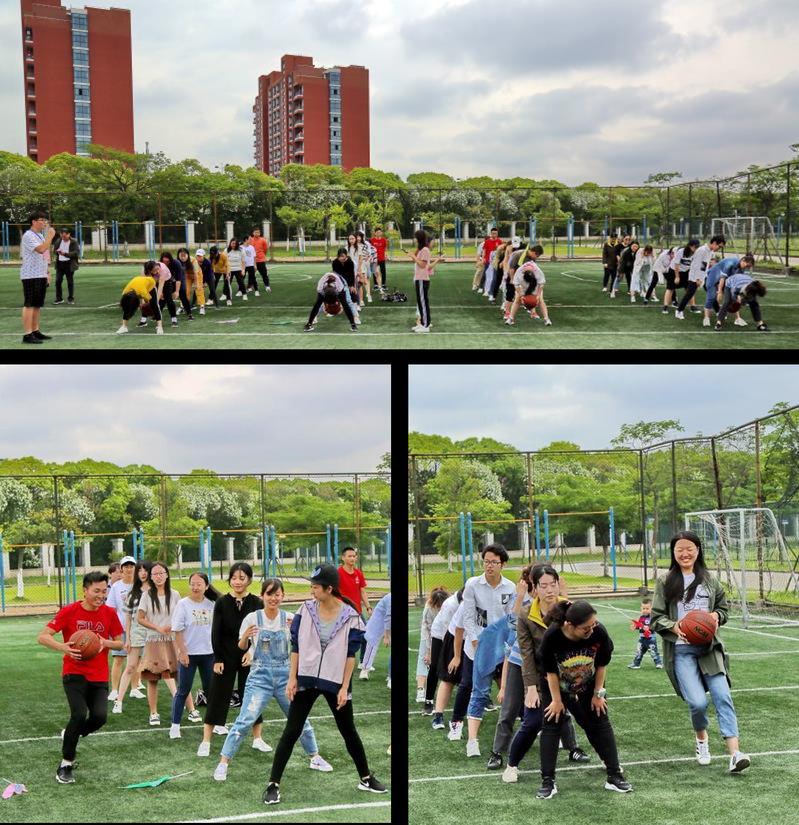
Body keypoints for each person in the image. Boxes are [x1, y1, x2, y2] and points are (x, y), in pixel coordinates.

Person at [261, 564, 387, 805]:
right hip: (306, 680)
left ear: (329, 589)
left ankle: (366, 778)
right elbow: (296, 646)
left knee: (348, 731)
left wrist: (344, 687)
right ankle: (273, 784)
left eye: (315, 587)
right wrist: (292, 678)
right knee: (291, 731)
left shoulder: (351, 616)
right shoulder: (305, 609)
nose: (311, 591)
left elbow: (351, 655)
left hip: (335, 682)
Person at [650, 531, 750, 772]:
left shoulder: (710, 580)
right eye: (679, 550)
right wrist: (673, 626)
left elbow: (723, 611)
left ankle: (735, 754)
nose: (685, 553)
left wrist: (715, 616)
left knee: (723, 697)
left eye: (690, 549)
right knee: (697, 703)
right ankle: (702, 740)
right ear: (673, 553)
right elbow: (656, 618)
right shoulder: (665, 581)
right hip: (681, 651)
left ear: (697, 550)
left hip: (709, 649)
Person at [214, 578, 333, 781]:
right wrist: (245, 636)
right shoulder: (253, 618)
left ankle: (314, 757)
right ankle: (223, 762)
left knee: (299, 718)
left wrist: (296, 631)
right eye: (269, 594)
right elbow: (241, 647)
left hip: (285, 676)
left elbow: (306, 644)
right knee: (245, 720)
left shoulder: (290, 618)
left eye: (277, 594)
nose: (273, 598)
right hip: (259, 676)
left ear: (283, 596)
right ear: (262, 595)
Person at [500, 565, 589, 781]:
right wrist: (531, 689)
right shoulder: (526, 614)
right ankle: (511, 765)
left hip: (568, 678)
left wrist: (577, 683)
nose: (549, 590)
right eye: (544, 585)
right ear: (535, 588)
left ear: (558, 585)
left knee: (590, 718)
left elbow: (582, 646)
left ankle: (609, 762)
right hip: (541, 679)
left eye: (553, 584)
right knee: (532, 722)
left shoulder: (570, 610)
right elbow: (527, 655)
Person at [536, 600, 632, 798]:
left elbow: (601, 665)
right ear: (570, 625)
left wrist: (598, 694)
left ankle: (614, 775)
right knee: (551, 724)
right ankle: (548, 781)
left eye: (593, 624)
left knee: (601, 720)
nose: (592, 630)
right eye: (586, 628)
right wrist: (556, 701)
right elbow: (550, 672)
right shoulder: (553, 636)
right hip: (556, 684)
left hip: (588, 683)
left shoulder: (599, 632)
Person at [37, 571, 124, 783]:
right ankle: (65, 764)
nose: (101, 595)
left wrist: (104, 642)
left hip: (99, 675)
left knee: (100, 717)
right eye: (96, 591)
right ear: (84, 590)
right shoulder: (70, 611)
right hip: (74, 672)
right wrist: (63, 647)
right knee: (78, 713)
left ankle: (71, 733)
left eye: (104, 591)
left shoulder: (109, 613)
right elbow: (43, 636)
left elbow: (120, 643)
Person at [197, 562, 269, 757]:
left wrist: (251, 652)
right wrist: (218, 658)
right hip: (226, 655)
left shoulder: (256, 603)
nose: (237, 582)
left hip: (249, 657)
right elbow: (216, 632)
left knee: (253, 695)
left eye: (242, 578)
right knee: (217, 695)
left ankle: (257, 739)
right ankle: (206, 741)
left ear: (249, 580)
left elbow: (262, 632)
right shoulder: (222, 602)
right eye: (234, 578)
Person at [458, 544, 516, 756]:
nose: (489, 566)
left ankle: (517, 732)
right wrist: (475, 641)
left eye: (494, 562)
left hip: (503, 647)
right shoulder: (473, 584)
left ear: (503, 564)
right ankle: (472, 741)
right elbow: (468, 616)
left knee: (510, 691)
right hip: (480, 645)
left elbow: (511, 618)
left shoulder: (510, 587)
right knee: (480, 692)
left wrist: (508, 646)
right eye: (486, 561)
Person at [169, 573, 220, 739]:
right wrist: (183, 653)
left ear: (206, 586)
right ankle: (175, 726)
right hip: (189, 656)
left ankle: (216, 724)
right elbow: (177, 631)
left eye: (199, 584)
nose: (195, 587)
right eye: (193, 584)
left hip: (209, 655)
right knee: (183, 690)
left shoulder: (212, 604)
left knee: (211, 691)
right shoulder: (183, 604)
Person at [136, 562, 181, 726]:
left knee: (179, 676)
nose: (159, 576)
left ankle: (189, 709)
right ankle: (153, 713)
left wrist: (172, 625)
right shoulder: (146, 595)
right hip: (154, 640)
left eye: (161, 573)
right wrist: (158, 628)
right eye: (155, 574)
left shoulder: (175, 594)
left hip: (173, 640)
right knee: (152, 678)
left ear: (167, 575)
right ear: (151, 577)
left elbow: (181, 615)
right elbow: (140, 618)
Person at [114, 559, 153, 713]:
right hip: (136, 633)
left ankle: (180, 700)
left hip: (154, 634)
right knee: (130, 666)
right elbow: (128, 617)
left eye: (145, 570)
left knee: (163, 668)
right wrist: (128, 639)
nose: (142, 573)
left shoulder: (157, 591)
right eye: (140, 570)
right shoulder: (133, 592)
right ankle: (119, 701)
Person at [20, 210, 56, 344]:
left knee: (37, 304)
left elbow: (44, 255)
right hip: (30, 275)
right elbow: (41, 249)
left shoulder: (40, 235)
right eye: (42, 220)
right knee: (29, 304)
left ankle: (35, 330)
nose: (44, 223)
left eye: (45, 220)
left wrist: (47, 272)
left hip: (40, 274)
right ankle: (27, 334)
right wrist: (50, 237)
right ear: (34, 222)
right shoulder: (28, 235)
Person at [430, 588, 463, 728]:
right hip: (447, 636)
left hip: (468, 639)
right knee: (447, 675)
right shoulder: (450, 605)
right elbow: (450, 631)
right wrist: (455, 655)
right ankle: (437, 715)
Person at [106, 556, 137, 701]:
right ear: (122, 569)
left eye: (131, 566)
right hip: (121, 628)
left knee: (136, 660)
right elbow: (111, 608)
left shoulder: (140, 585)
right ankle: (114, 690)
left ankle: (135, 688)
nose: (129, 569)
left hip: (137, 629)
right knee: (118, 659)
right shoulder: (116, 587)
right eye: (126, 566)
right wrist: (112, 627)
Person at [675, 236, 725, 320]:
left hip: (704, 276)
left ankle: (718, 311)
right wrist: (698, 279)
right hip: (695, 276)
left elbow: (704, 265)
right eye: (719, 246)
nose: (719, 249)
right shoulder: (702, 250)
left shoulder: (710, 251)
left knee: (711, 292)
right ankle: (679, 310)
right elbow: (696, 265)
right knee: (689, 294)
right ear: (714, 243)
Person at [337, 547, 371, 669]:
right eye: (349, 556)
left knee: (366, 635)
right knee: (342, 639)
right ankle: (340, 662)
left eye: (354, 556)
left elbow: (362, 592)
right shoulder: (338, 574)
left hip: (357, 612)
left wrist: (368, 607)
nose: (352, 558)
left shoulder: (358, 574)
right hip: (342, 612)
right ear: (343, 558)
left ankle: (363, 662)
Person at [416, 587, 449, 707]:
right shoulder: (428, 608)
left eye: (441, 605)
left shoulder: (451, 605)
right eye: (438, 606)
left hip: (446, 633)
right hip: (429, 633)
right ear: (433, 603)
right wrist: (428, 652)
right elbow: (427, 630)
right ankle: (421, 689)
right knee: (425, 659)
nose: (440, 608)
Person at [407, 229, 445, 333]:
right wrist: (413, 255)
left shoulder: (425, 250)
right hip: (419, 278)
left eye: (416, 237)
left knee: (423, 302)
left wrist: (413, 257)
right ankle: (422, 323)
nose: (415, 239)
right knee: (420, 302)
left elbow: (422, 265)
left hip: (422, 279)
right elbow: (418, 261)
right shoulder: (421, 249)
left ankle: (426, 325)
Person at [703, 254, 754, 328]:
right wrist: (720, 291)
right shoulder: (730, 263)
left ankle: (737, 319)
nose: (746, 268)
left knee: (733, 296)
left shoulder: (742, 268)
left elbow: (736, 281)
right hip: (713, 275)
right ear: (743, 261)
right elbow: (722, 278)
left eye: (748, 267)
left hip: (727, 279)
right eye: (747, 266)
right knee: (711, 296)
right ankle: (706, 318)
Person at [116, 263, 164, 335]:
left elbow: (147, 301)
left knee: (155, 305)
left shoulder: (143, 291)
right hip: (137, 282)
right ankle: (124, 327)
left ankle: (159, 327)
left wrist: (145, 306)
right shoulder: (126, 292)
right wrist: (123, 305)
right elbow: (124, 301)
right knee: (127, 308)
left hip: (150, 285)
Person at [506, 246, 547, 325]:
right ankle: (508, 314)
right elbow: (511, 268)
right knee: (513, 297)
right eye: (537, 255)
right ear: (534, 252)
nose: (537, 258)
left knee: (539, 299)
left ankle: (537, 314)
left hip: (529, 279)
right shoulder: (518, 255)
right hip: (517, 277)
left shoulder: (535, 268)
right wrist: (512, 279)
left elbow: (540, 283)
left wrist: (538, 295)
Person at [359, 592, 391, 685]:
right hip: (380, 615)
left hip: (388, 616)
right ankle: (365, 669)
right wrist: (386, 636)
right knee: (372, 641)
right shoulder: (390, 598)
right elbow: (388, 618)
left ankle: (390, 675)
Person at [662, 240, 698, 314]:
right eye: (695, 247)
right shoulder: (681, 251)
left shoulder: (696, 253)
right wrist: (677, 277)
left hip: (686, 271)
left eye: (697, 247)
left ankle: (693, 306)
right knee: (670, 288)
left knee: (689, 289)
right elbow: (676, 264)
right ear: (690, 246)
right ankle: (665, 306)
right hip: (674, 270)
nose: (696, 248)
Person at [627, 597, 662, 669]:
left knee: (653, 651)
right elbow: (640, 626)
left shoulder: (652, 617)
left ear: (651, 608)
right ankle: (636, 664)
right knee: (639, 651)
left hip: (650, 638)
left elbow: (655, 626)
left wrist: (649, 627)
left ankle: (658, 663)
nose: (645, 610)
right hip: (641, 638)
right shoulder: (641, 617)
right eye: (643, 608)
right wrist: (635, 627)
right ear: (641, 608)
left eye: (647, 609)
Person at [331, 247, 361, 323]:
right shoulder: (335, 262)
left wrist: (351, 285)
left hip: (348, 280)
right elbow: (335, 274)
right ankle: (333, 310)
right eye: (339, 256)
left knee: (352, 293)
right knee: (334, 295)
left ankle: (355, 313)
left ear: (346, 255)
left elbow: (351, 274)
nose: (341, 258)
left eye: (343, 256)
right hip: (338, 281)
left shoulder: (350, 262)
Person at [52, 227, 79, 305]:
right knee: (58, 281)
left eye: (64, 236)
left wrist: (65, 254)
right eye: (61, 236)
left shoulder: (74, 242)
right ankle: (59, 298)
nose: (63, 237)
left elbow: (76, 253)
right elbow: (54, 251)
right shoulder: (58, 241)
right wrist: (57, 252)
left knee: (70, 282)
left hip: (69, 264)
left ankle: (70, 298)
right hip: (60, 264)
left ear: (68, 234)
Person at [194, 249, 219, 314]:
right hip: (200, 277)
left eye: (200, 256)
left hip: (209, 277)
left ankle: (217, 304)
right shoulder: (194, 262)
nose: (199, 257)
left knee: (212, 289)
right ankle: (192, 304)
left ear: (203, 256)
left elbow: (208, 273)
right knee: (197, 288)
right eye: (197, 256)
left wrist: (204, 282)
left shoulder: (207, 262)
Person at [174, 248, 197, 320]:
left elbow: (196, 273)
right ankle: (156, 316)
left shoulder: (192, 260)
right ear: (178, 255)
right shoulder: (175, 262)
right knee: (166, 297)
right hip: (174, 280)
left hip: (182, 279)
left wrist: (196, 283)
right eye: (181, 255)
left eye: (185, 255)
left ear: (188, 255)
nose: (183, 257)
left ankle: (189, 314)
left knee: (184, 296)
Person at [356, 230, 377, 303]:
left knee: (366, 280)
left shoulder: (366, 244)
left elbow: (369, 254)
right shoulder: (354, 244)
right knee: (358, 280)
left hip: (364, 263)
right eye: (357, 236)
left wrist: (367, 261)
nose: (358, 238)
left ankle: (368, 294)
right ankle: (359, 298)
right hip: (356, 264)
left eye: (360, 236)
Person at [251, 227, 271, 293]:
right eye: (255, 232)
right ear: (253, 233)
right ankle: (252, 286)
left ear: (260, 233)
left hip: (261, 260)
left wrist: (262, 256)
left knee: (264, 274)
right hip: (252, 261)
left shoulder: (263, 240)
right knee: (251, 275)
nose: (257, 233)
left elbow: (265, 249)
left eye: (258, 232)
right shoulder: (250, 240)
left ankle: (267, 286)